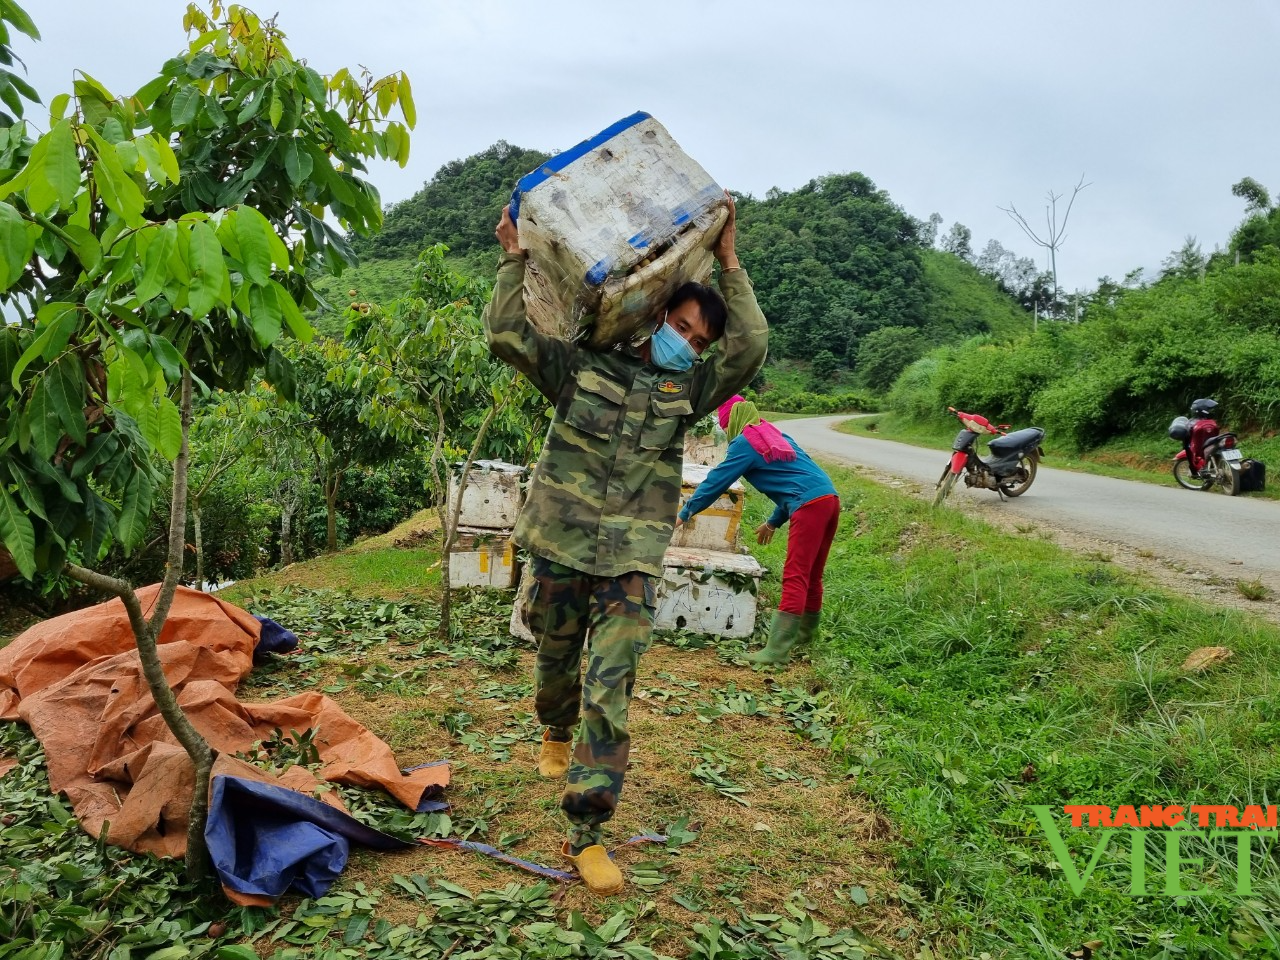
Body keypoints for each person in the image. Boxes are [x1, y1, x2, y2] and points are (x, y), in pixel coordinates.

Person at [482, 193, 767, 895]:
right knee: (555, 664)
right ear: (657, 314)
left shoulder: (685, 390)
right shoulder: (581, 366)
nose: (691, 345)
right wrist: (512, 259)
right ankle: (552, 729)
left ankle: (587, 832)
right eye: (685, 329)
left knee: (610, 693)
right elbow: (506, 336)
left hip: (632, 560)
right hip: (558, 545)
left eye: (700, 341)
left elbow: (750, 347)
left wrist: (730, 261)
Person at [676, 396, 838, 666]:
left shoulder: (745, 443)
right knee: (812, 573)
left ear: (731, 422)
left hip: (809, 506)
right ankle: (805, 634)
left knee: (796, 575)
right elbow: (795, 480)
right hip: (829, 500)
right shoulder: (775, 435)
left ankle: (776, 651)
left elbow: (717, 482)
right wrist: (773, 522)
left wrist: (684, 513)